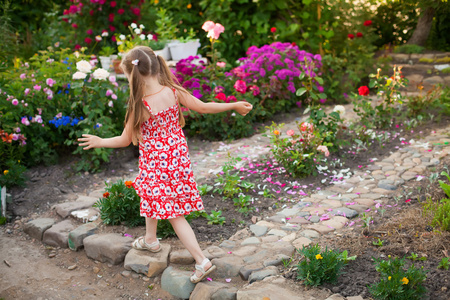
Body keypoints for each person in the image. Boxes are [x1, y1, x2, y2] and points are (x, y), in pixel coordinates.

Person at [78, 46, 253, 283]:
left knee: (173, 214)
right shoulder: (173, 91)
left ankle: (201, 260)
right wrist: (233, 105)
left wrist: (100, 142)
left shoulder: (140, 104)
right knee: (149, 192)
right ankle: (150, 239)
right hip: (176, 159)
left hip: (157, 162)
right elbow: (202, 107)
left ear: (133, 75)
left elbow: (124, 140)